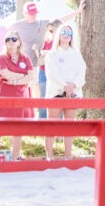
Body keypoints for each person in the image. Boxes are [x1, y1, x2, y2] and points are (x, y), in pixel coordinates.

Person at [43, 24, 85, 160]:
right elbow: (52, 73)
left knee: (69, 125)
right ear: (58, 35)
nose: (66, 35)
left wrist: (73, 86)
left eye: (69, 32)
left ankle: (68, 155)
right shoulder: (52, 54)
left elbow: (81, 72)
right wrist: (64, 86)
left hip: (72, 93)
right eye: (63, 32)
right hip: (56, 92)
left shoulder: (76, 54)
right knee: (52, 125)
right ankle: (49, 156)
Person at [0, 28, 35, 161]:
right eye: (7, 39)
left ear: (19, 42)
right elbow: (5, 74)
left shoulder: (25, 58)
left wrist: (16, 81)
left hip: (21, 97)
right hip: (4, 96)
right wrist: (23, 76)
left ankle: (15, 157)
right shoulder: (1, 57)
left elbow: (32, 76)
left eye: (13, 39)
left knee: (18, 129)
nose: (10, 42)